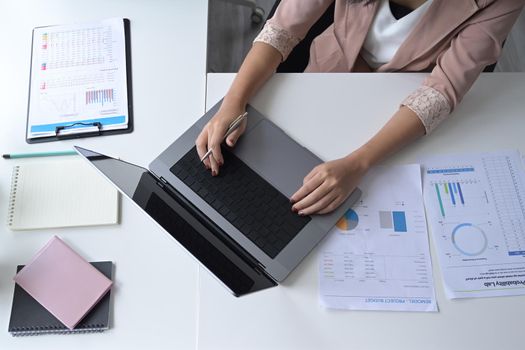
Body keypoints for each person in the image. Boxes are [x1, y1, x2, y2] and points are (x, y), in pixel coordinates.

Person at [196, 0, 524, 216]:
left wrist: (359, 163)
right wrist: (233, 102)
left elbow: (442, 91)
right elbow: (284, 26)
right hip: (326, 78)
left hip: (400, 108)